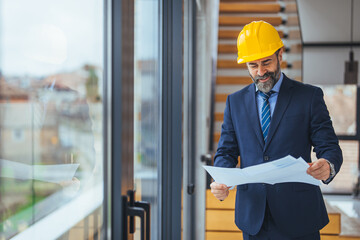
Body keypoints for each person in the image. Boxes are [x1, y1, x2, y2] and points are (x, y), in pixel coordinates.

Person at [210, 20, 343, 240]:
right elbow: (225, 152)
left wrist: (328, 165)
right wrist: (222, 179)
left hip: (300, 216)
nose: (261, 72)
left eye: (266, 62)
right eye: (253, 65)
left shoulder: (309, 97)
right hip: (254, 219)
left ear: (280, 55)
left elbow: (329, 147)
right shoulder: (235, 102)